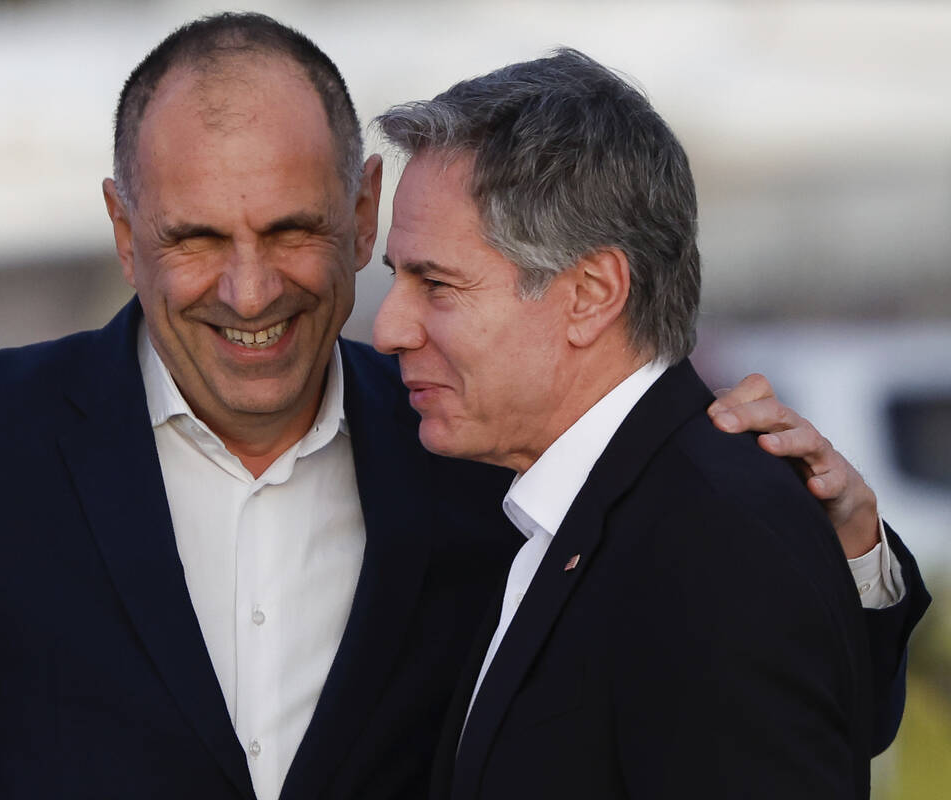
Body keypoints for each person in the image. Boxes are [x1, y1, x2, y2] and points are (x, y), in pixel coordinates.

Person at [0, 14, 924, 800]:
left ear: (364, 211)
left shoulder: (474, 453)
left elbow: (768, 698)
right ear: (122, 231)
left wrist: (848, 554)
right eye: (196, 237)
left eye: (294, 231)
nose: (250, 288)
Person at [372, 48, 930, 799]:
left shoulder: (713, 541)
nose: (389, 328)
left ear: (591, 293)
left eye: (436, 284)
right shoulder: (585, 506)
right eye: (394, 277)